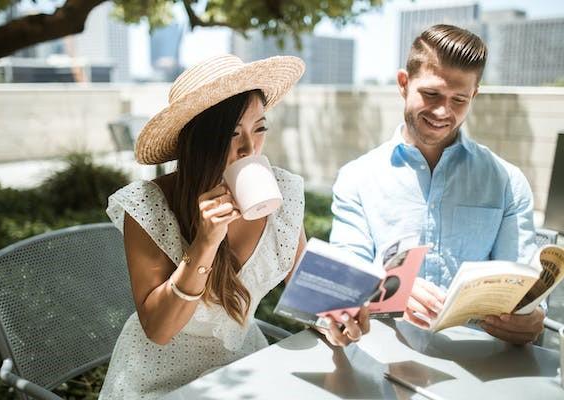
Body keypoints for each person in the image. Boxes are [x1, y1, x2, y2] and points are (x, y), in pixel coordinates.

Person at [99, 54, 370, 399]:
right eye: (232, 133)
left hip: (243, 370)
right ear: (198, 140)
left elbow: (308, 290)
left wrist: (337, 317)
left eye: (259, 129)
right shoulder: (148, 204)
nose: (249, 148)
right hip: (158, 381)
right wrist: (205, 242)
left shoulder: (281, 191)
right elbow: (158, 329)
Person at [330, 24, 544, 345]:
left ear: (474, 95)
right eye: (431, 94)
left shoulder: (507, 182)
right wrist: (386, 289)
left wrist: (531, 317)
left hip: (479, 362)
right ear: (404, 83)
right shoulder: (356, 178)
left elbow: (522, 286)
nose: (444, 111)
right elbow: (345, 277)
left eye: (459, 99)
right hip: (382, 352)